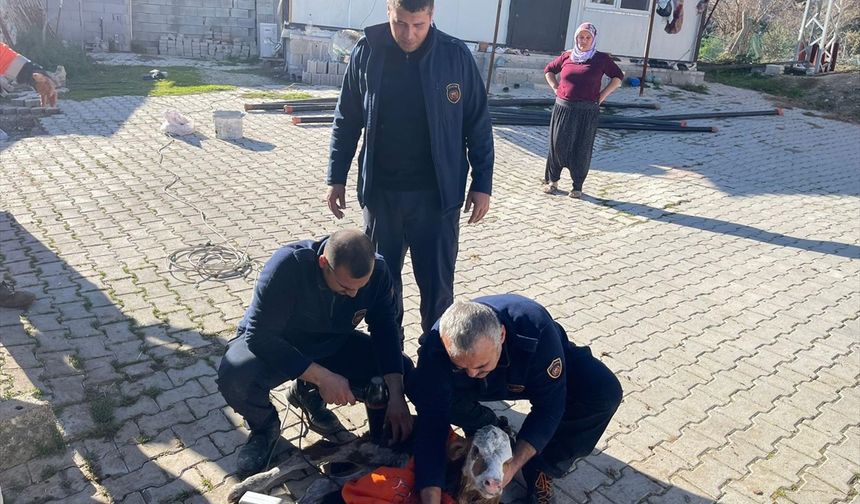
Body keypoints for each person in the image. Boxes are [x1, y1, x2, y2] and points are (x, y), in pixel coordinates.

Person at [325, 0, 494, 341]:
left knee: (437, 292)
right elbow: (347, 119)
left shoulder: (455, 56)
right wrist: (336, 176)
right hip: (381, 196)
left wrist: (482, 183)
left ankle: (437, 363)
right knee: (381, 287)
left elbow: (477, 121)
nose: (409, 33)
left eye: (418, 24)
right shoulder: (367, 52)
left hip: (437, 200)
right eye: (400, 23)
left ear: (432, 16)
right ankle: (391, 362)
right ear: (389, 11)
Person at [217, 229, 414, 476]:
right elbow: (260, 336)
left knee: (400, 369)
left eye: (359, 287)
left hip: (332, 342)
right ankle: (264, 429)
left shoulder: (380, 272)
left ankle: (306, 394)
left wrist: (396, 395)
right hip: (280, 342)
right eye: (345, 287)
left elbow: (386, 332)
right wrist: (323, 377)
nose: (353, 294)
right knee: (236, 376)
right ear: (323, 264)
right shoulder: (289, 265)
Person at [408, 295, 623, 504]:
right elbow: (433, 426)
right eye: (462, 366)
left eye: (480, 366)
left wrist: (513, 467)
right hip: (470, 386)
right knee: (420, 388)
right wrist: (431, 495)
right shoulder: (436, 346)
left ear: (501, 335)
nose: (472, 373)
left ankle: (543, 466)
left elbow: (549, 408)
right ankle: (486, 426)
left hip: (528, 369)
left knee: (604, 392)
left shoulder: (535, 328)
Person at [542, 23, 623, 199]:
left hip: (587, 111)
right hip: (563, 108)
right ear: (576, 37)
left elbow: (618, 77)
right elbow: (548, 70)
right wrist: (555, 87)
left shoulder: (601, 59)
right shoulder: (567, 56)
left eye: (588, 37)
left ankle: (577, 186)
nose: (583, 41)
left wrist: (602, 96)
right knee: (557, 145)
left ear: (593, 39)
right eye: (581, 37)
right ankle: (553, 181)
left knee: (582, 147)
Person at [0, 42, 58, 107]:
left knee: (32, 74)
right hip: (13, 63)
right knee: (31, 73)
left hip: (12, 63)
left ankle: (46, 86)